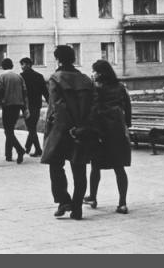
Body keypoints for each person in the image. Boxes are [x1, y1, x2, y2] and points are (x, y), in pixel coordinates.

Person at [40, 45, 98, 220]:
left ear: (58, 59)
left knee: (55, 165)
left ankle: (64, 201)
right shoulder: (86, 79)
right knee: (79, 168)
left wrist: (67, 126)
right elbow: (94, 106)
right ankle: (77, 207)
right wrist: (83, 126)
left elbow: (58, 106)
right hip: (82, 130)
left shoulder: (56, 78)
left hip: (61, 130)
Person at [83, 60, 132, 214]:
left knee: (95, 166)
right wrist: (127, 124)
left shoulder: (96, 87)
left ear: (100, 73)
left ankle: (93, 197)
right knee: (119, 167)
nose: (93, 73)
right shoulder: (120, 87)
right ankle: (122, 203)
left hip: (100, 130)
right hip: (117, 130)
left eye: (94, 71)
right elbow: (128, 106)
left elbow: (92, 108)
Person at [0, 58, 28, 164]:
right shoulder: (19, 77)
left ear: (2, 66)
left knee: (8, 131)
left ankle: (19, 150)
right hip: (17, 105)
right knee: (10, 130)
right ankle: (8, 155)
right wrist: (24, 108)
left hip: (7, 106)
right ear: (12, 66)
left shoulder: (2, 77)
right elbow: (24, 92)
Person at [19, 57, 48, 157]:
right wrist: (49, 101)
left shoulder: (21, 77)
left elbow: (21, 92)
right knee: (32, 126)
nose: (22, 67)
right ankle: (29, 147)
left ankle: (37, 150)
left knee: (31, 127)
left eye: (23, 64)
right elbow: (45, 91)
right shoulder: (39, 76)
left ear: (28, 65)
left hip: (26, 105)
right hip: (37, 105)